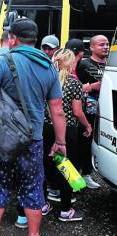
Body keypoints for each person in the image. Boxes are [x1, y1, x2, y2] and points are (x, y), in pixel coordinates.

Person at [0, 18, 66, 236]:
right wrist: (60, 141)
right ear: (35, 39)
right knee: (32, 185)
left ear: (13, 38)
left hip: (1, 139)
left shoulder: (4, 61)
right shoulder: (49, 66)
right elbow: (57, 109)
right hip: (33, 139)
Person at [42, 48, 91, 222]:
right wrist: (88, 125)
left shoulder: (47, 80)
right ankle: (65, 210)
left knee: (45, 164)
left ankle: (42, 204)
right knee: (67, 167)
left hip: (46, 127)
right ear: (71, 63)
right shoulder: (74, 83)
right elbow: (77, 112)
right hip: (67, 129)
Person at [76, 34, 109, 189]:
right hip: (87, 112)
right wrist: (93, 86)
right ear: (92, 47)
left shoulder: (111, 64)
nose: (105, 47)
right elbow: (77, 88)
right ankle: (84, 174)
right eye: (101, 45)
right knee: (85, 143)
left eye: (107, 44)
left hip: (108, 112)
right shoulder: (84, 64)